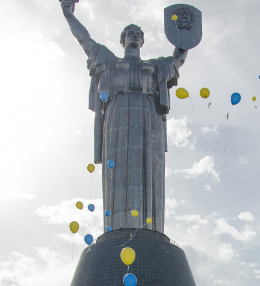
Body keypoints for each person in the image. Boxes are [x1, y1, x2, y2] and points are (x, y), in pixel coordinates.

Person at [57, 0, 189, 233]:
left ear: (143, 41)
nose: (134, 36)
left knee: (149, 167)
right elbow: (84, 40)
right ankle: (117, 228)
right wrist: (68, 15)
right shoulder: (110, 61)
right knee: (118, 169)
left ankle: (150, 230)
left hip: (149, 116)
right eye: (129, 33)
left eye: (138, 33)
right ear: (122, 39)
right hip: (118, 114)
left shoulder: (155, 66)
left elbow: (178, 58)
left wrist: (186, 37)